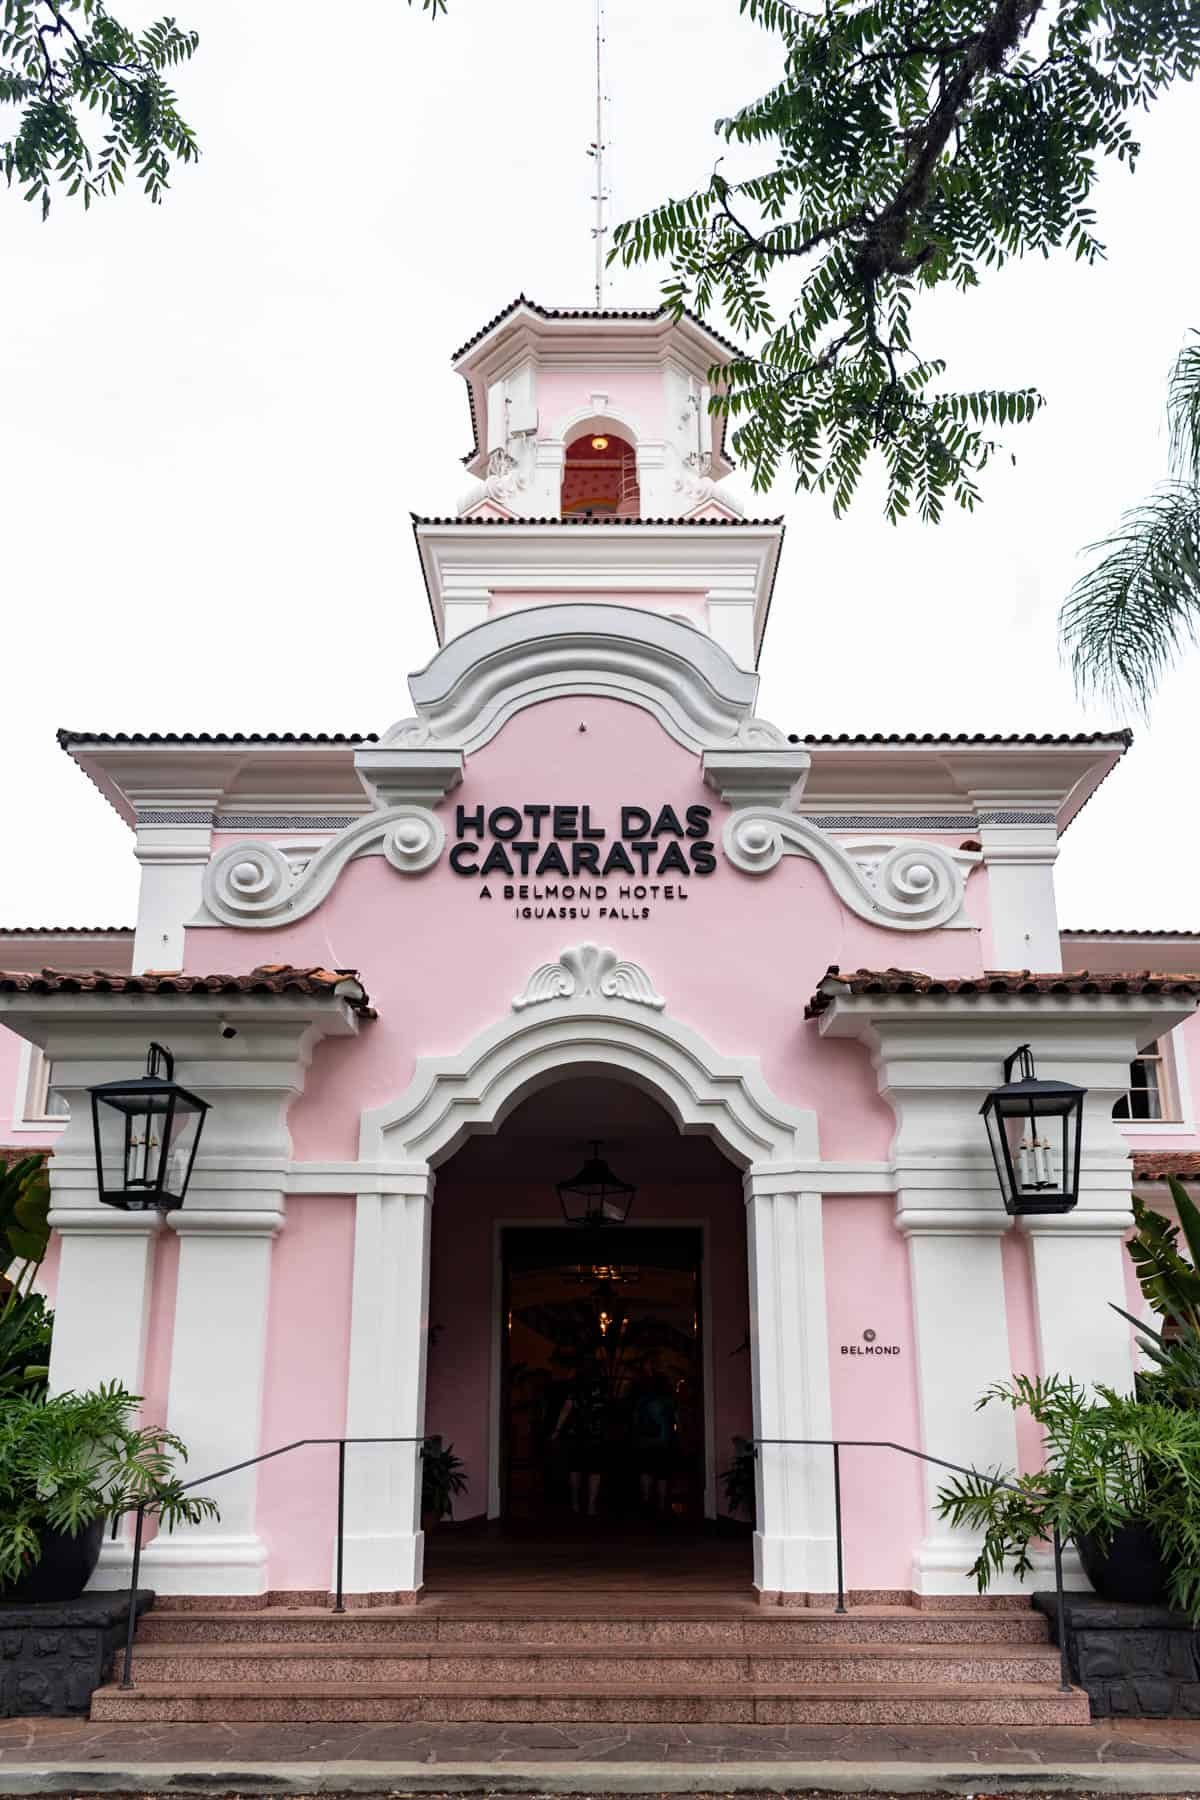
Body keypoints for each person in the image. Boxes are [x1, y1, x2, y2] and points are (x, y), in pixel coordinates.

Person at [551, 1358, 609, 1517]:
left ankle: (575, 1503)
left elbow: (566, 1408)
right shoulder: (603, 1385)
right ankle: (590, 1506)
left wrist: (557, 1429)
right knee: (594, 1471)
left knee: (575, 1469)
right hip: (595, 1434)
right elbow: (607, 1409)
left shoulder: (575, 1385)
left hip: (576, 1433)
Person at [632, 1370, 677, 1519]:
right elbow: (677, 1420)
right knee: (662, 1475)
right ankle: (661, 1505)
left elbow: (636, 1421)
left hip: (644, 1442)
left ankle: (646, 1501)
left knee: (646, 1471)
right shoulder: (669, 1400)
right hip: (665, 1442)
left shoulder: (642, 1400)